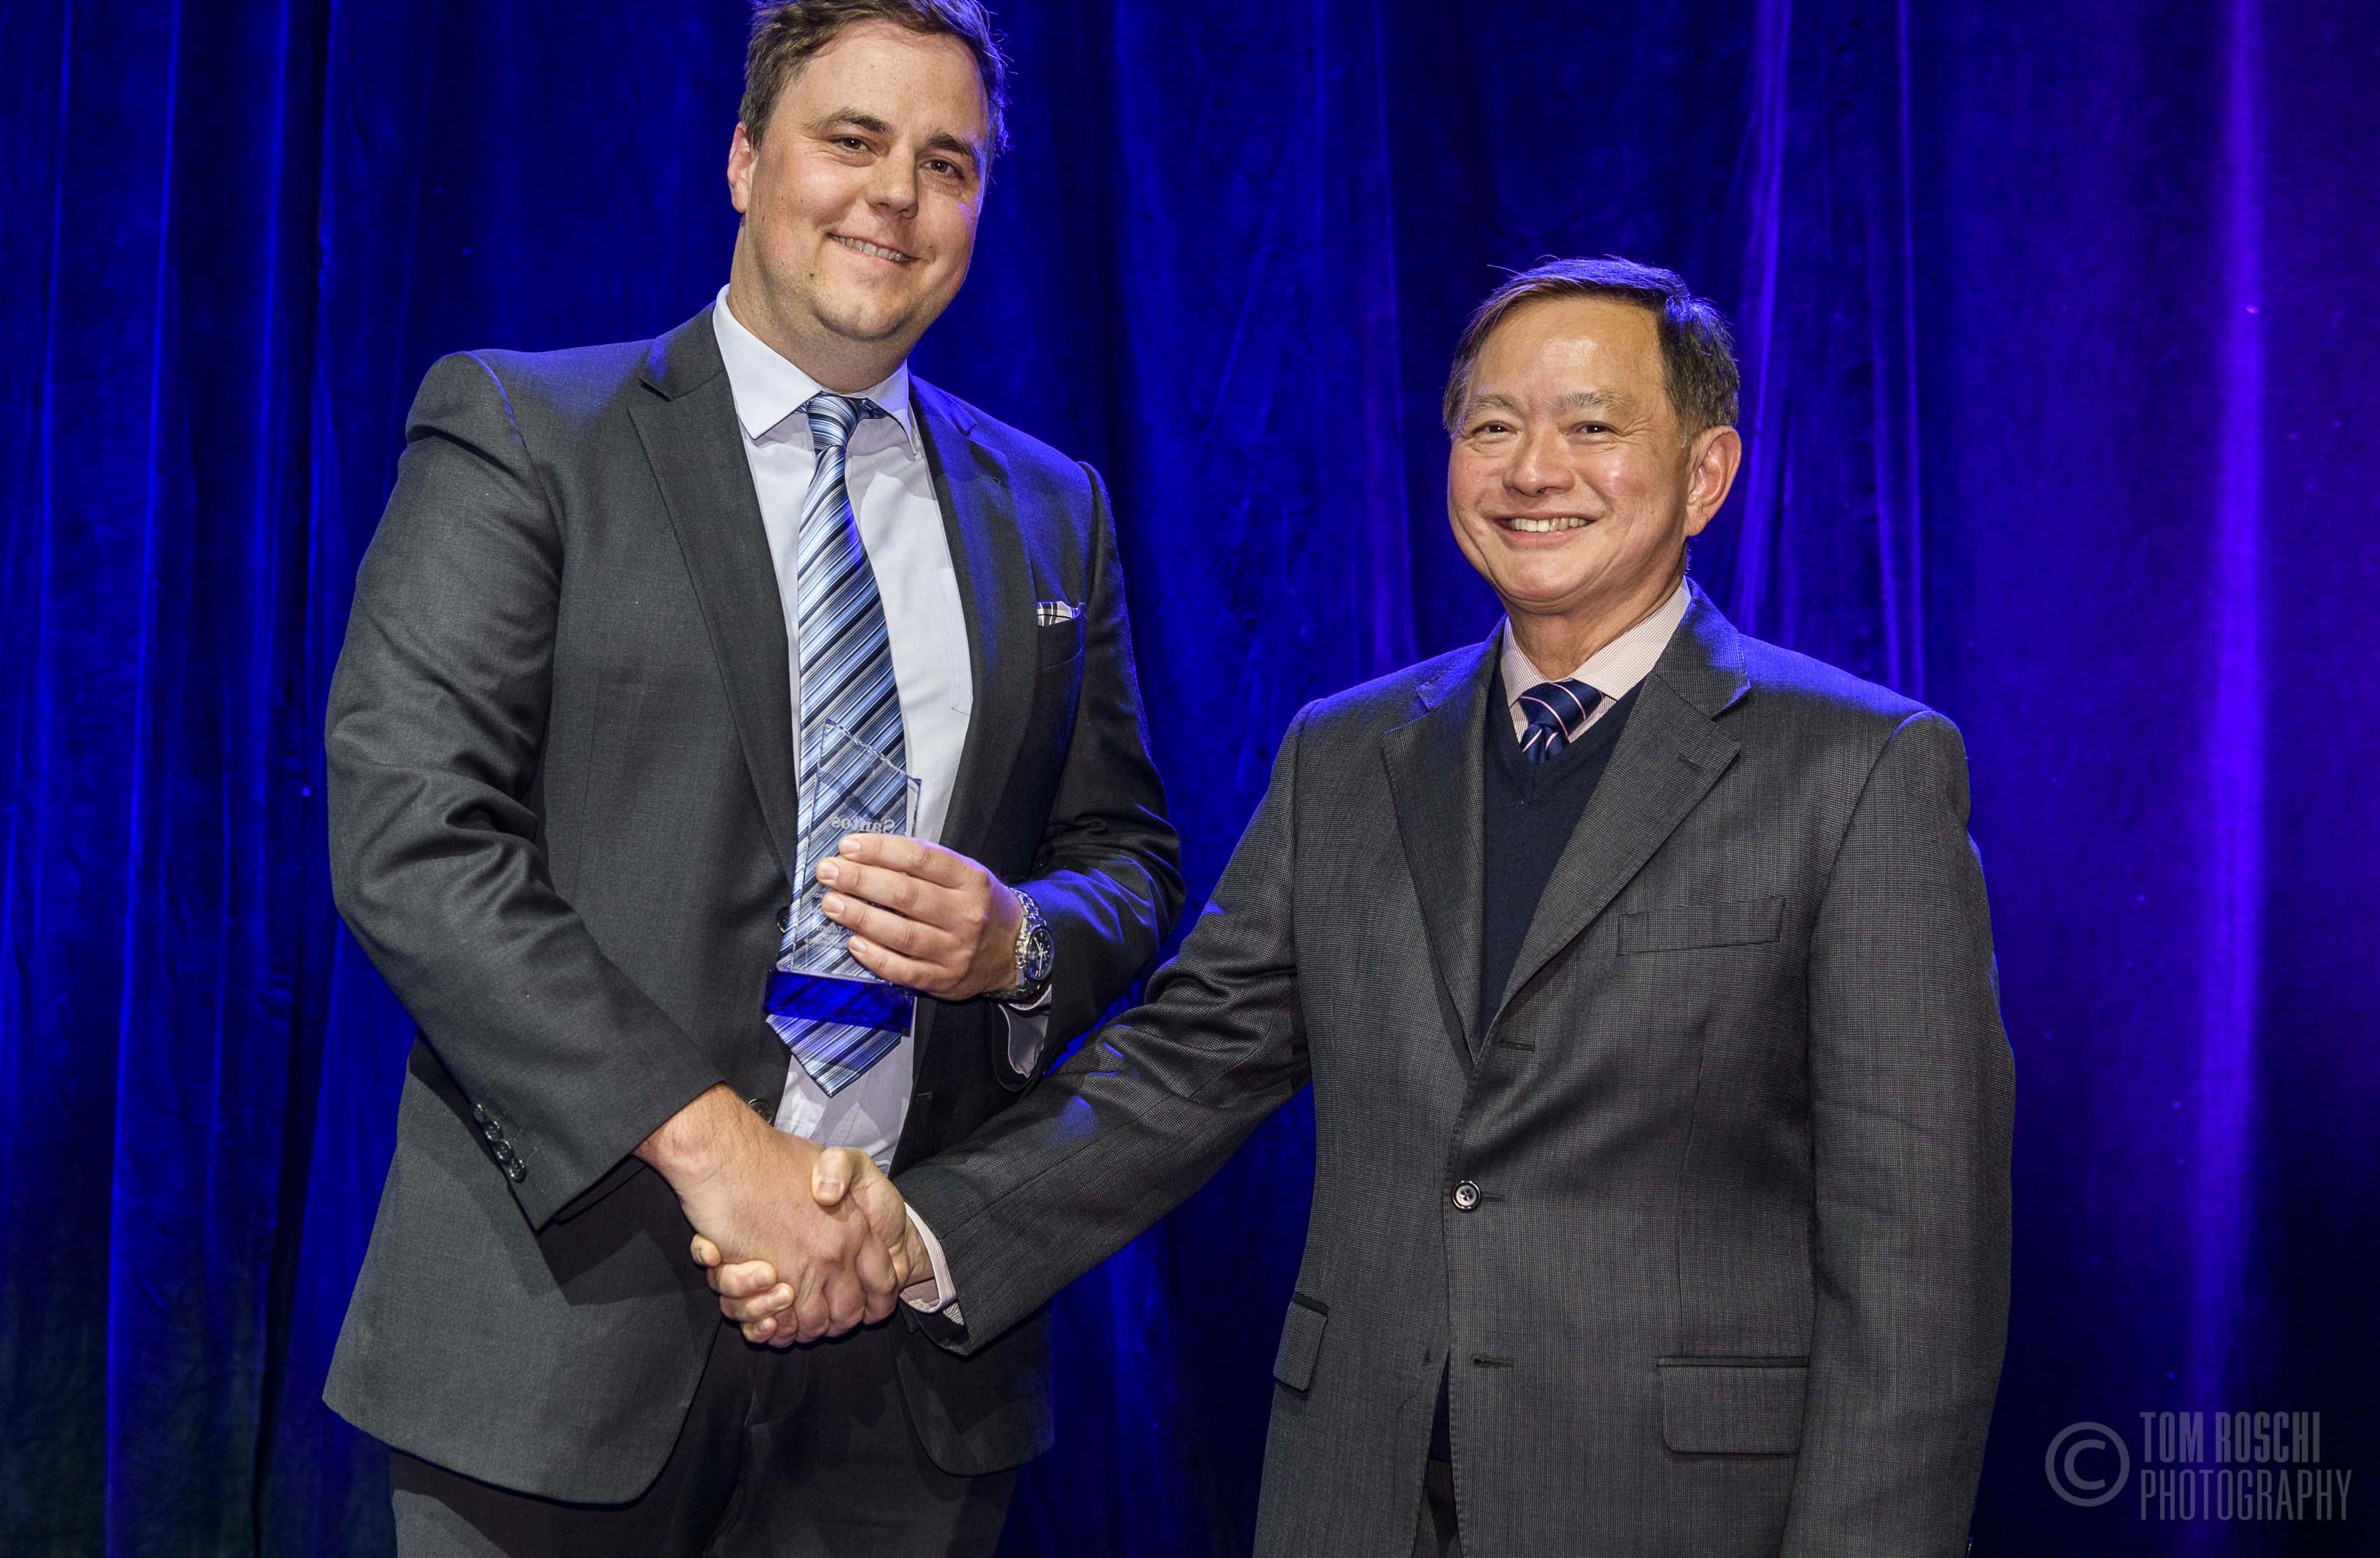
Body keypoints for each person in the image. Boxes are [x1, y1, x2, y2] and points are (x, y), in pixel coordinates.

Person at [709, 258, 2015, 1557]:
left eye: (1591, 428)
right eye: (1491, 427)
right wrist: (917, 1231)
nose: (1533, 469)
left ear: (1707, 473)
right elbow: (1181, 1070)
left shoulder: (1860, 770)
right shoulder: (1347, 757)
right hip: (1357, 1497)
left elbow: (1919, 1266)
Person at [321, 0, 1182, 1557]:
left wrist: (1015, 940)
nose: (895, 198)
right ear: (743, 158)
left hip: (904, 1362)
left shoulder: (1053, 507)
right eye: (851, 140)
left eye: (947, 164)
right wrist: (720, 1151)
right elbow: (414, 837)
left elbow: (1127, 859)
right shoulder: (524, 433)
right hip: (558, 1337)